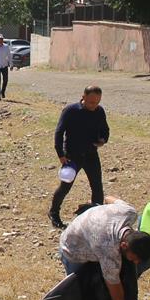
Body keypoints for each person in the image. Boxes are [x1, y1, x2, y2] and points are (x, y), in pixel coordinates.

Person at [49, 84, 110, 229]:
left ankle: (96, 219)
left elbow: (105, 129)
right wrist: (61, 154)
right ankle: (54, 213)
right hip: (72, 156)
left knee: (97, 187)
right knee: (65, 186)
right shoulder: (71, 111)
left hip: (91, 155)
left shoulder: (99, 111)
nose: (94, 105)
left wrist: (103, 140)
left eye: (97, 102)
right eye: (91, 102)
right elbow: (59, 132)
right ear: (83, 97)